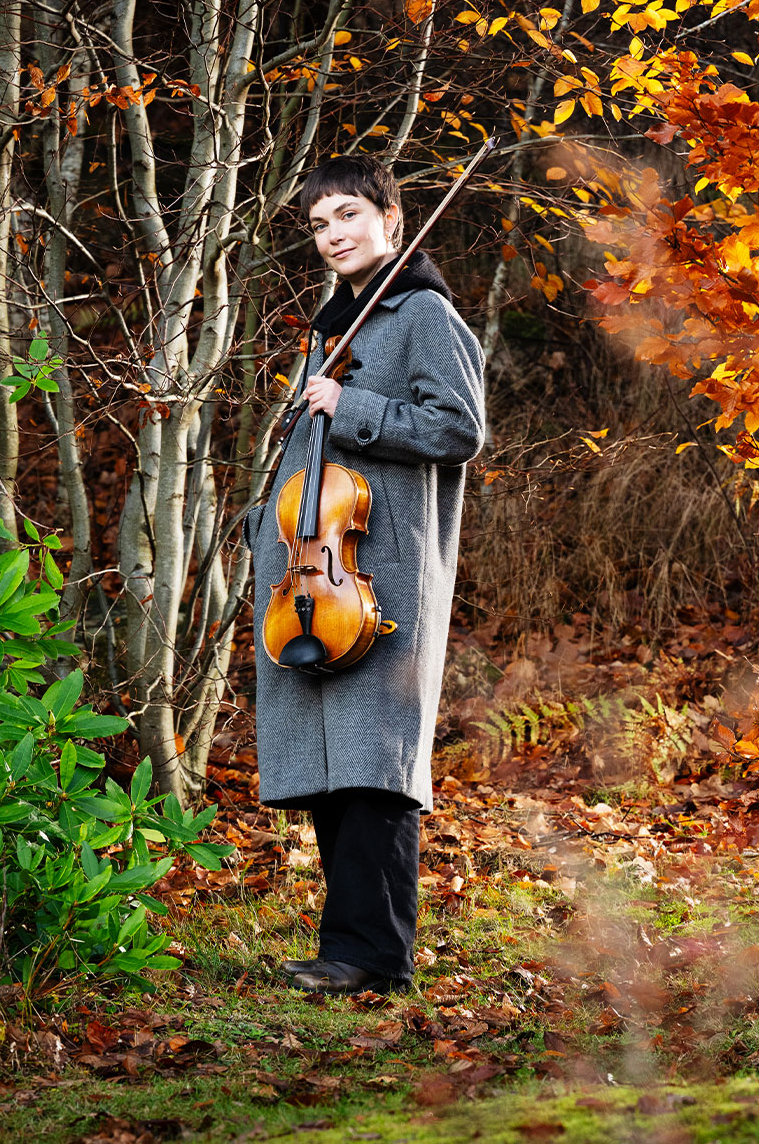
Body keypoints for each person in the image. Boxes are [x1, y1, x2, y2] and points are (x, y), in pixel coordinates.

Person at [247, 155, 486, 995]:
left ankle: (374, 957)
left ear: (391, 217)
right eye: (319, 224)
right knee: (331, 764)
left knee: (373, 763)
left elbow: (459, 428)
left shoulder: (423, 313)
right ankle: (347, 949)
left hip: (380, 575)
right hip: (315, 577)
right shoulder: (334, 325)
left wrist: (353, 407)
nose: (333, 235)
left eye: (348, 214)